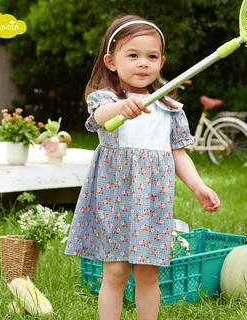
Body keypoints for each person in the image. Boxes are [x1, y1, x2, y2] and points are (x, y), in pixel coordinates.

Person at [65, 14, 220, 320]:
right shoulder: (106, 99)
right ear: (111, 62)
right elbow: (101, 118)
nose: (142, 63)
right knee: (116, 273)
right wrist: (122, 107)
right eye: (132, 55)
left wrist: (199, 186)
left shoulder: (170, 109)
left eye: (151, 57)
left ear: (161, 63)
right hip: (115, 201)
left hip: (151, 203)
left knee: (148, 274)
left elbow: (178, 155)